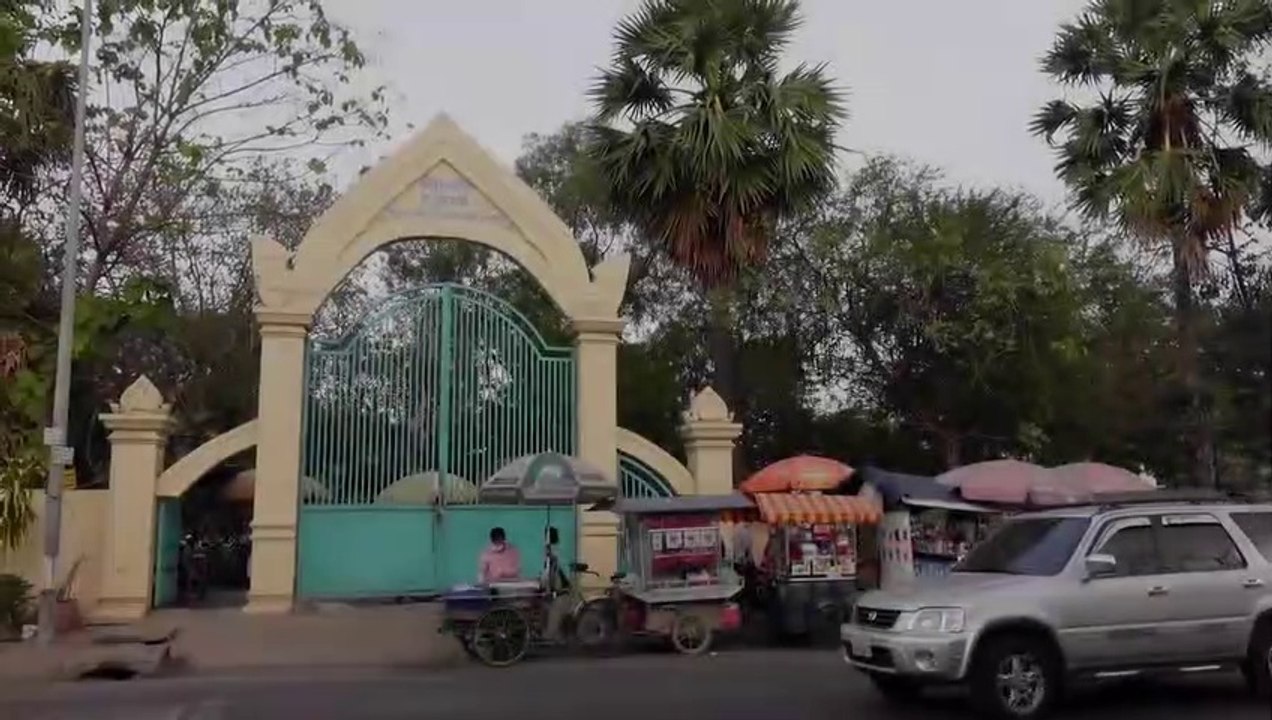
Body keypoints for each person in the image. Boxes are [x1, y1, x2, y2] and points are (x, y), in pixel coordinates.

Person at [541, 526, 574, 642]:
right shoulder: (554, 552)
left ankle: (551, 635)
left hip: (561, 591)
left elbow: (553, 572)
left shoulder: (554, 553)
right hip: (561, 588)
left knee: (555, 612)